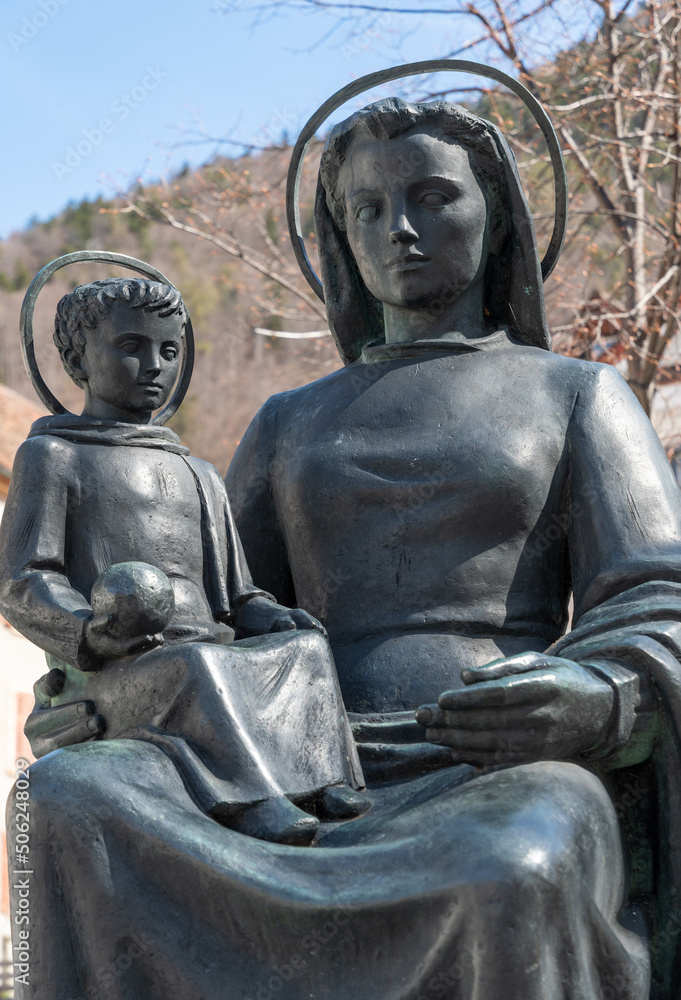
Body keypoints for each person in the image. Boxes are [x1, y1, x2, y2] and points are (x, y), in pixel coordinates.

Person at [12, 99, 681, 999]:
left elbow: (657, 597)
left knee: (511, 864)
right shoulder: (289, 421)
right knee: (68, 797)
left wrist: (602, 697)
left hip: (493, 755)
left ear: (495, 215)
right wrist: (100, 686)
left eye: (431, 197)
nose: (398, 227)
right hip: (277, 757)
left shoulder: (578, 394)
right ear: (340, 236)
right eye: (367, 208)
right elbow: (215, 611)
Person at [0, 277, 365, 851]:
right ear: (76, 360)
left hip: (207, 647)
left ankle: (324, 780)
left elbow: (237, 594)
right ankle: (253, 797)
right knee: (194, 665)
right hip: (119, 664)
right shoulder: (53, 456)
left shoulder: (199, 473)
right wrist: (89, 631)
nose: (154, 365)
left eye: (168, 350)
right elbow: (25, 581)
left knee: (304, 650)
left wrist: (269, 616)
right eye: (131, 346)